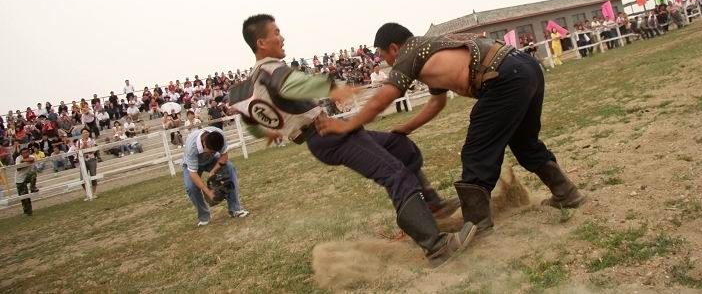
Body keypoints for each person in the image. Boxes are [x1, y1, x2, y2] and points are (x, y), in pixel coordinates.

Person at [229, 14, 474, 266]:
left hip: (327, 134)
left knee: (400, 145)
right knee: (395, 175)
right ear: (261, 42)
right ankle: (436, 247)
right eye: (276, 32)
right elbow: (290, 83)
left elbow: (247, 108)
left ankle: (433, 206)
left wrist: (265, 132)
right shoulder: (271, 70)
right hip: (328, 135)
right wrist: (331, 88)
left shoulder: (253, 81)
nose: (282, 37)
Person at [318, 23, 586, 238]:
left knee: (476, 151)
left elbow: (385, 96)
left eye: (384, 56)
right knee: (524, 143)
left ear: (393, 47)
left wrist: (351, 124)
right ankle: (566, 193)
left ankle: (477, 223)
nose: (386, 62)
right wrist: (406, 127)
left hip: (504, 77)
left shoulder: (410, 51)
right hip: (524, 68)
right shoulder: (429, 51)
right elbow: (437, 101)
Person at [182, 126, 249, 226]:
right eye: (211, 151)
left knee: (230, 168)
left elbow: (224, 156)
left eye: (214, 152)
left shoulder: (219, 135)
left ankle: (235, 209)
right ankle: (204, 216)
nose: (212, 153)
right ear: (204, 143)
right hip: (192, 165)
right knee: (191, 187)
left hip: (211, 161)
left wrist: (213, 171)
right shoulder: (191, 146)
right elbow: (193, 173)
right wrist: (208, 192)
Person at [76, 128, 99, 199]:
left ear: (89, 133)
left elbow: (95, 150)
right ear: (81, 134)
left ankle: (94, 193)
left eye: (87, 132)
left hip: (92, 159)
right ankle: (88, 193)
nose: (85, 133)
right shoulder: (79, 142)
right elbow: (77, 151)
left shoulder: (92, 140)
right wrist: (83, 146)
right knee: (82, 179)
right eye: (84, 132)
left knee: (93, 176)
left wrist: (88, 147)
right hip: (83, 161)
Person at [15, 147, 38, 215]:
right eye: (23, 153)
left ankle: (32, 188)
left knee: (33, 173)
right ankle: (27, 212)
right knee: (24, 197)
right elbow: (18, 169)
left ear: (29, 152)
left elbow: (32, 159)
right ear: (21, 154)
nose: (25, 154)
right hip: (19, 179)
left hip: (27, 177)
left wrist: (23, 161)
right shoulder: (18, 158)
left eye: (26, 152)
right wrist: (24, 162)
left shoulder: (31, 156)